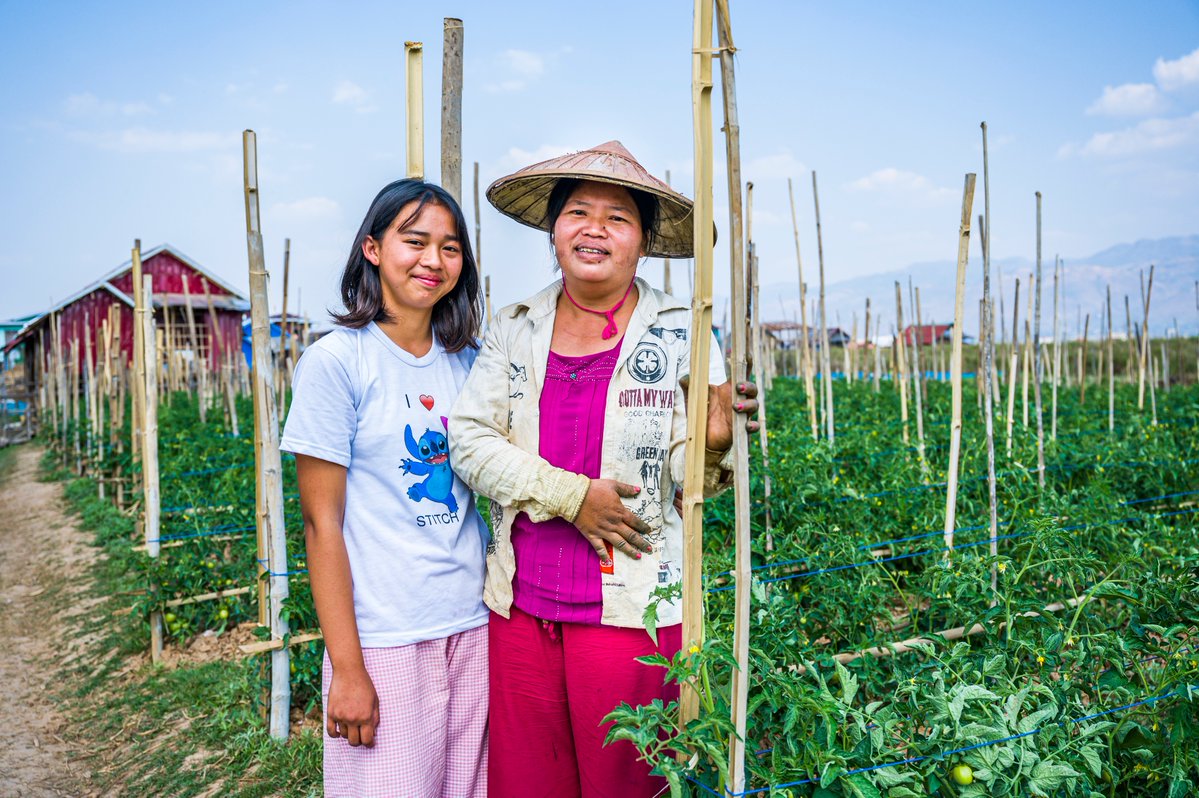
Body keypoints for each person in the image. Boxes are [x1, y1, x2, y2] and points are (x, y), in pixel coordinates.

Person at [448, 140, 758, 798]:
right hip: (520, 606)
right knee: (530, 783)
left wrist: (715, 438)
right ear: (553, 231)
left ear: (642, 241)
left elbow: (690, 484)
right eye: (577, 212)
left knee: (627, 781)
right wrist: (570, 496)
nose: (594, 229)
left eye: (617, 218)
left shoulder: (684, 330)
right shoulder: (514, 325)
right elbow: (470, 440)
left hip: (631, 615)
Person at [281, 179, 487, 797]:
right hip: (385, 639)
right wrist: (347, 668)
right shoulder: (337, 362)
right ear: (372, 249)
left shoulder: (470, 362)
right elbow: (322, 525)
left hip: (474, 627)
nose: (433, 261)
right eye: (414, 241)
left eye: (450, 248)